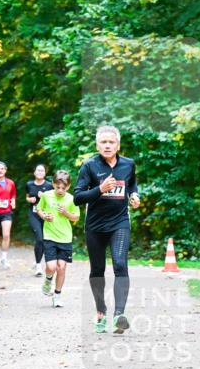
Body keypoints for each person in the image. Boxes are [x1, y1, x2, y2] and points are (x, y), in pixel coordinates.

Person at [74, 126, 140, 334]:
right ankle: (101, 312)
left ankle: (119, 314)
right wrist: (99, 189)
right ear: (97, 145)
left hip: (119, 223)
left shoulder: (128, 165)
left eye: (111, 142)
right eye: (103, 142)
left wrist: (135, 196)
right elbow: (77, 198)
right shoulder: (89, 166)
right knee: (97, 270)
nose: (108, 145)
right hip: (94, 226)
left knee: (120, 265)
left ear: (118, 145)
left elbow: (132, 186)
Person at [37, 170, 80, 307]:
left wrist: (66, 213)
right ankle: (48, 280)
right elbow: (39, 209)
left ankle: (57, 295)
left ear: (68, 186)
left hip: (65, 238)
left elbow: (76, 217)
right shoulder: (46, 196)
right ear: (53, 184)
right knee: (51, 266)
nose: (60, 190)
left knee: (61, 267)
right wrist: (44, 216)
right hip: (49, 236)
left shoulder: (71, 199)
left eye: (63, 188)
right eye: (57, 187)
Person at [25, 164, 54, 277]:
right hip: (34, 213)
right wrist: (29, 199)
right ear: (35, 172)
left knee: (45, 240)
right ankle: (38, 265)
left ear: (45, 173)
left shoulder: (49, 185)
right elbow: (27, 197)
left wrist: (45, 196)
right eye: (38, 170)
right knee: (40, 239)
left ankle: (39, 260)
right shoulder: (29, 184)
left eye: (42, 171)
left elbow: (54, 199)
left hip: (46, 214)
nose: (40, 172)